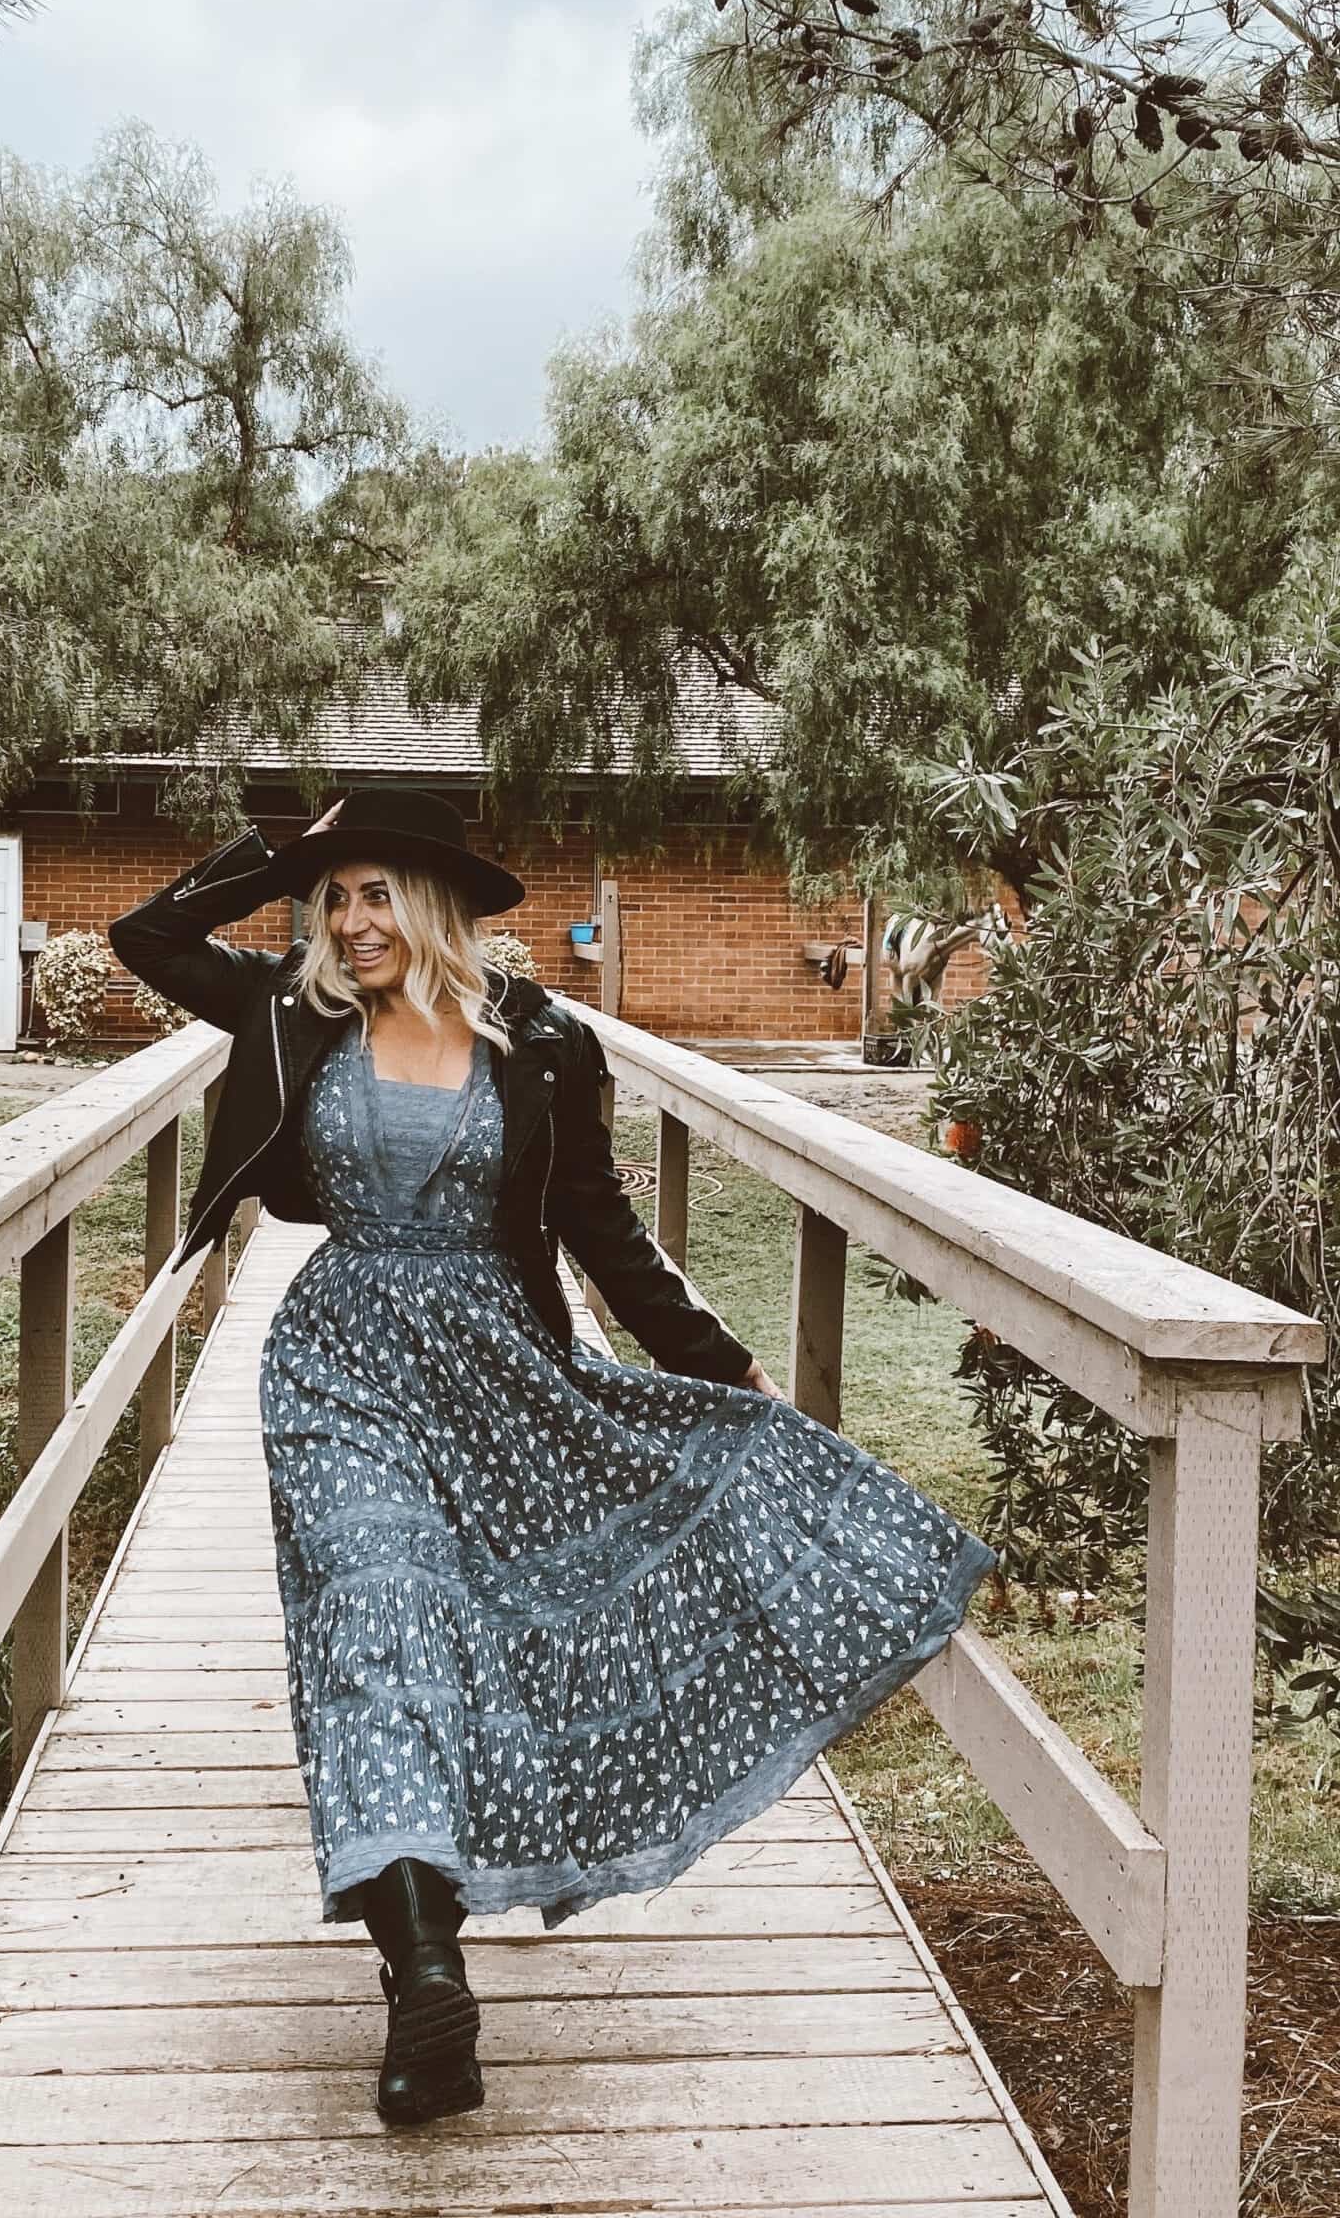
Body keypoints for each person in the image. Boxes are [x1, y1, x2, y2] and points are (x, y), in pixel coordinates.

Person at [109, 788, 994, 2128]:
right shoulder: (293, 1014)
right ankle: (424, 1981)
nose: (349, 924)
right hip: (340, 1366)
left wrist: (719, 1365)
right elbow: (146, 935)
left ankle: (430, 1922)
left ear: (438, 908)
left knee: (485, 1635)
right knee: (378, 1615)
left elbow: (598, 1225)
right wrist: (277, 857)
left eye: (373, 896)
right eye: (332, 898)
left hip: (503, 1373)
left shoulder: (539, 1043)